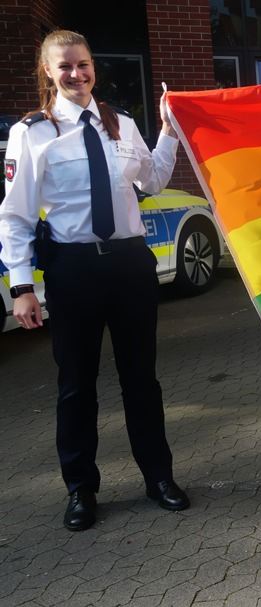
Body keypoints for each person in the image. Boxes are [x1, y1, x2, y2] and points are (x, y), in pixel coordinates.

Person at [0, 30, 190, 532]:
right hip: (74, 269)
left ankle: (159, 477)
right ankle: (81, 488)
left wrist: (167, 131)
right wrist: (22, 287)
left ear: (93, 68)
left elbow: (152, 180)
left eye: (82, 65)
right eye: (64, 66)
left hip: (129, 266)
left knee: (141, 380)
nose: (76, 74)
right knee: (76, 386)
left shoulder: (120, 124)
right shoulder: (32, 133)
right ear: (48, 71)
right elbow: (16, 215)